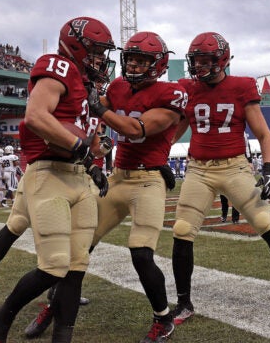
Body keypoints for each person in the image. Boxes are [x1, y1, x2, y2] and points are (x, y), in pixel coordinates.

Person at [0, 17, 115, 343]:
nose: (101, 60)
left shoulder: (88, 89)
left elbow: (91, 142)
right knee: (54, 264)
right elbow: (37, 115)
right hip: (49, 174)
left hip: (79, 177)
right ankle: (2, 313)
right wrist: (79, 145)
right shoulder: (59, 66)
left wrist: (96, 158)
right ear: (78, 48)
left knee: (77, 267)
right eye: (96, 52)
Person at [170, 32, 270, 327]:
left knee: (266, 225)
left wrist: (268, 169)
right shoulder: (188, 89)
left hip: (234, 168)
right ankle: (183, 302)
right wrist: (159, 153)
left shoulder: (241, 86)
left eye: (206, 61)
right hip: (198, 170)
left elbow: (264, 134)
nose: (199, 66)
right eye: (197, 61)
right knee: (182, 230)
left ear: (222, 60)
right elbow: (177, 129)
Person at [82, 30, 185, 343]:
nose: (136, 65)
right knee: (80, 240)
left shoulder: (171, 92)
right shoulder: (116, 86)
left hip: (148, 181)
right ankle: (61, 296)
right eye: (132, 59)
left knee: (141, 254)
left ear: (158, 65)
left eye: (143, 61)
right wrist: (99, 143)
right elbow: (101, 126)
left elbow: (135, 128)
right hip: (119, 177)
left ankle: (163, 319)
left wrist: (163, 150)